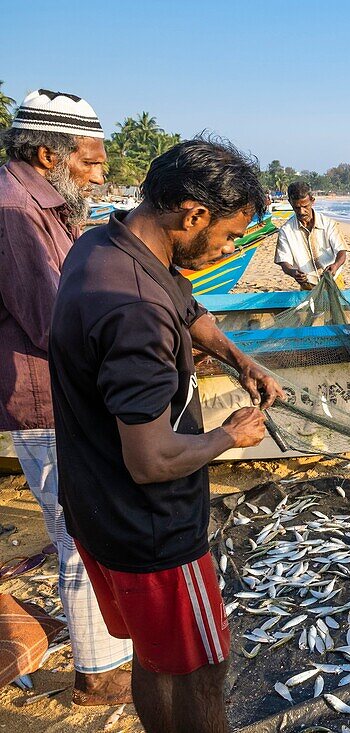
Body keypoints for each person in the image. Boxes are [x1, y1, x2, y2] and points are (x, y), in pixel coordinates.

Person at [50, 137, 284, 733]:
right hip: (153, 528)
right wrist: (229, 436)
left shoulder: (106, 245)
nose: (232, 247)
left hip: (97, 509)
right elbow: (152, 459)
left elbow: (188, 307)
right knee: (204, 670)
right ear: (193, 214)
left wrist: (240, 359)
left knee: (155, 659)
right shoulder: (134, 308)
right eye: (231, 235)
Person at [0, 89, 135, 705]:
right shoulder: (14, 211)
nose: (100, 173)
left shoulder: (45, 205)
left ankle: (104, 653)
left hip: (63, 396)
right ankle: (97, 674)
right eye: (92, 160)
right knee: (80, 531)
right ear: (51, 156)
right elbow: (52, 318)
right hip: (46, 400)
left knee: (86, 526)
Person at [274, 180, 347, 289]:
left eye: (305, 206)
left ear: (312, 201)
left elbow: (342, 251)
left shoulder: (328, 224)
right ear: (290, 203)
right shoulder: (286, 230)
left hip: (334, 282)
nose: (301, 212)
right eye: (297, 208)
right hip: (307, 286)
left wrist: (335, 266)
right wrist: (293, 272)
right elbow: (284, 261)